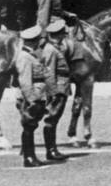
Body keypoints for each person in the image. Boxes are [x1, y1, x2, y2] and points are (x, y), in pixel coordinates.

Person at [14, 25, 50, 168]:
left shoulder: (30, 56)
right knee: (28, 126)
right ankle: (28, 157)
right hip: (31, 97)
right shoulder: (25, 57)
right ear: (33, 41)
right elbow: (25, 81)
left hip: (37, 95)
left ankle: (31, 155)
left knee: (31, 125)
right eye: (37, 40)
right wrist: (32, 100)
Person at [42, 20, 73, 161]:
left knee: (54, 119)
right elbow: (49, 73)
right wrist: (53, 92)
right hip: (58, 89)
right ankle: (51, 150)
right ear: (58, 35)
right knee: (51, 118)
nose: (64, 36)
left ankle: (52, 149)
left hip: (62, 87)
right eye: (62, 34)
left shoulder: (55, 48)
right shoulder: (51, 50)